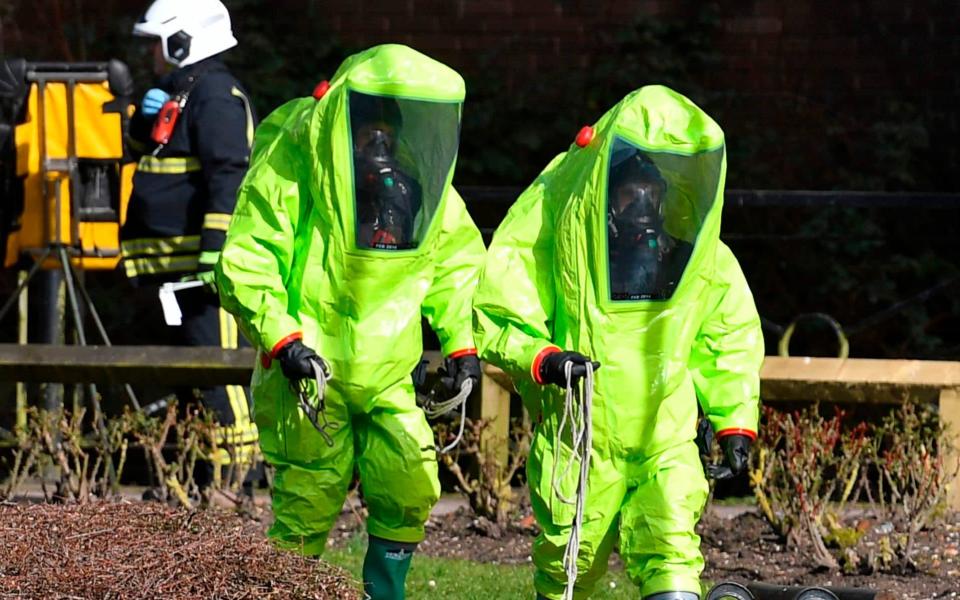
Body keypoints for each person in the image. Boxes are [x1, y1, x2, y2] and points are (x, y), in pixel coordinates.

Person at [473, 85, 763, 600]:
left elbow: (728, 336)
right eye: (631, 193)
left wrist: (735, 420)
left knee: (671, 546)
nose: (645, 207)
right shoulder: (562, 232)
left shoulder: (696, 258)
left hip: (665, 436)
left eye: (654, 194)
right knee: (570, 562)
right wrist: (543, 359)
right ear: (604, 192)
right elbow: (502, 308)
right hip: (583, 437)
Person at [216, 44, 485, 599]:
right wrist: (284, 340)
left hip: (388, 370)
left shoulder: (418, 190)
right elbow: (248, 258)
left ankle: (384, 593)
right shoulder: (297, 165)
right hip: (310, 371)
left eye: (390, 132)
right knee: (308, 499)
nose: (380, 146)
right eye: (370, 131)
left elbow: (454, 262)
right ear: (343, 122)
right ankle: (288, 591)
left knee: (408, 481)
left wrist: (462, 345)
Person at [121, 0, 259, 485]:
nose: (151, 55)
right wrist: (142, 119)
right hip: (168, 271)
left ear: (182, 41)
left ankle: (235, 481)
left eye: (157, 43)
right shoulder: (178, 91)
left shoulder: (216, 97)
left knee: (216, 375)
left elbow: (229, 177)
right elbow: (144, 149)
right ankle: (192, 476)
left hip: (201, 272)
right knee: (183, 376)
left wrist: (215, 253)